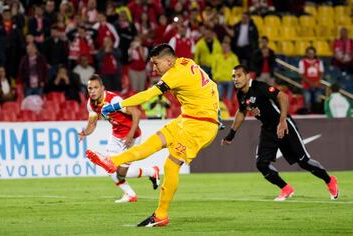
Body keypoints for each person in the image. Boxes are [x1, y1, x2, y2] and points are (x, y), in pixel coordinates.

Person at [85, 44, 221, 226]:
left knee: (171, 165)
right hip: (187, 118)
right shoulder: (186, 62)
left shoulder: (174, 74)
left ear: (168, 61)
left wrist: (118, 105)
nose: (154, 68)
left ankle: (161, 215)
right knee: (153, 143)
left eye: (156, 64)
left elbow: (148, 95)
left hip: (200, 125)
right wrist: (216, 110)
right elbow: (211, 84)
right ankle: (113, 162)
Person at [221, 65, 339, 201]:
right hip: (268, 129)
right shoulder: (241, 94)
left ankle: (330, 180)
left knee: (303, 162)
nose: (236, 79)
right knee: (261, 164)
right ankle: (286, 189)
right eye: (233, 76)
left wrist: (282, 121)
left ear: (248, 76)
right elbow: (241, 112)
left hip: (284, 124)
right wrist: (231, 134)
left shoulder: (259, 87)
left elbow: (283, 97)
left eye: (239, 75)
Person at [78, 74, 160, 203]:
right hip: (116, 136)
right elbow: (92, 124)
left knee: (120, 172)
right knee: (110, 168)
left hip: (132, 136)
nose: (92, 91)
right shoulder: (91, 104)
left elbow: (137, 113)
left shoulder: (113, 100)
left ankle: (151, 172)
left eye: (95, 87)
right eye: (89, 88)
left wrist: (130, 134)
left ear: (102, 88)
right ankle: (130, 194)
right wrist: (85, 133)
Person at [298, 46, 324, 113]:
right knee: (307, 101)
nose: (311, 55)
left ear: (315, 53)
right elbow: (302, 74)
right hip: (306, 86)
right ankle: (308, 115)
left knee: (317, 101)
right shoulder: (302, 62)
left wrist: (317, 82)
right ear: (306, 54)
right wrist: (310, 83)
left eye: (312, 53)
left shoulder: (319, 62)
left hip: (317, 85)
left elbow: (321, 73)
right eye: (309, 53)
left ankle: (316, 115)